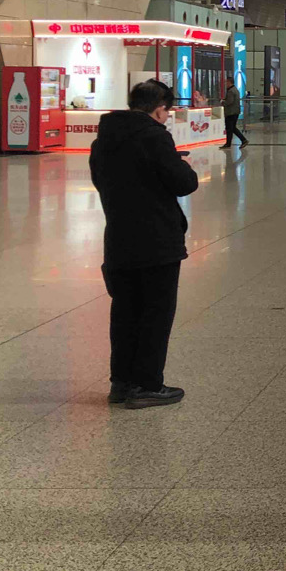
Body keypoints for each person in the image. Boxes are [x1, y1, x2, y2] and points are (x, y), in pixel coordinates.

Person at [89, 80, 198, 409]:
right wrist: (182, 165)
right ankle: (147, 384)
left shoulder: (103, 140)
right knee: (156, 313)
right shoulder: (154, 136)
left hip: (119, 239)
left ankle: (121, 383)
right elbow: (183, 183)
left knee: (125, 312)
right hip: (156, 241)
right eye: (167, 111)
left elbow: (106, 181)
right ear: (159, 109)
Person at [222, 77, 248, 148]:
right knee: (232, 128)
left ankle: (243, 140)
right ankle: (229, 143)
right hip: (235, 111)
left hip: (231, 112)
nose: (225, 84)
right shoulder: (235, 90)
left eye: (226, 82)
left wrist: (223, 102)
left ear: (229, 82)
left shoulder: (231, 91)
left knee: (230, 128)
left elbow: (229, 101)